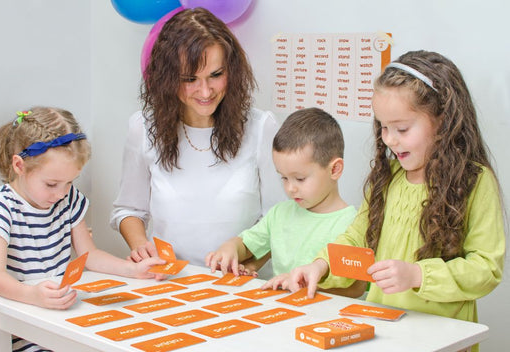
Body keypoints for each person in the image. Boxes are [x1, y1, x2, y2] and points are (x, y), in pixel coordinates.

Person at [262, 51, 505, 352]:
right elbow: (356, 238)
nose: (389, 139)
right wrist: (320, 265)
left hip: (443, 339)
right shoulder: (387, 177)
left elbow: (486, 268)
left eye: (401, 129)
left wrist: (417, 275)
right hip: (381, 332)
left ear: (443, 121)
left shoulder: (475, 181)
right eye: (383, 127)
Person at [0, 107, 165, 352]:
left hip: (50, 318)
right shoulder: (2, 207)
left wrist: (132, 269)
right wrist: (32, 294)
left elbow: (90, 255)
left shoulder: (67, 199)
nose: (61, 193)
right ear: (19, 166)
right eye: (51, 184)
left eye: (70, 182)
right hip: (7, 325)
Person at [110, 7, 285, 267]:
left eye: (216, 75)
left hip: (241, 284)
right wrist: (141, 247)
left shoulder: (261, 127)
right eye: (189, 79)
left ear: (232, 71)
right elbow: (128, 210)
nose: (205, 91)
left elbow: (278, 218)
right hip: (170, 280)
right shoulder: (143, 129)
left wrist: (247, 268)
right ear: (167, 79)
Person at [206, 108, 366, 298]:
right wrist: (230, 248)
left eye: (300, 179)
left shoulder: (354, 224)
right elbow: (247, 245)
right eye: (284, 178)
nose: (290, 188)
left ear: (335, 170)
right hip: (283, 315)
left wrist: (302, 285)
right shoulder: (279, 214)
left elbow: (356, 289)